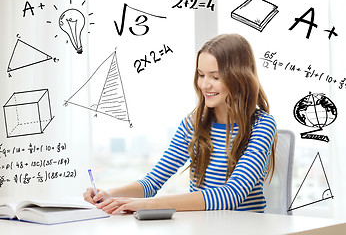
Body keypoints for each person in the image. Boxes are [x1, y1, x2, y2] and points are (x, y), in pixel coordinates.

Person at [83, 33, 277, 214]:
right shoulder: (192, 125)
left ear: (240, 78)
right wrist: (110, 194)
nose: (204, 85)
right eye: (201, 75)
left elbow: (231, 195)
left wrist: (147, 205)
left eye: (215, 77)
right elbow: (152, 182)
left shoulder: (262, 126)